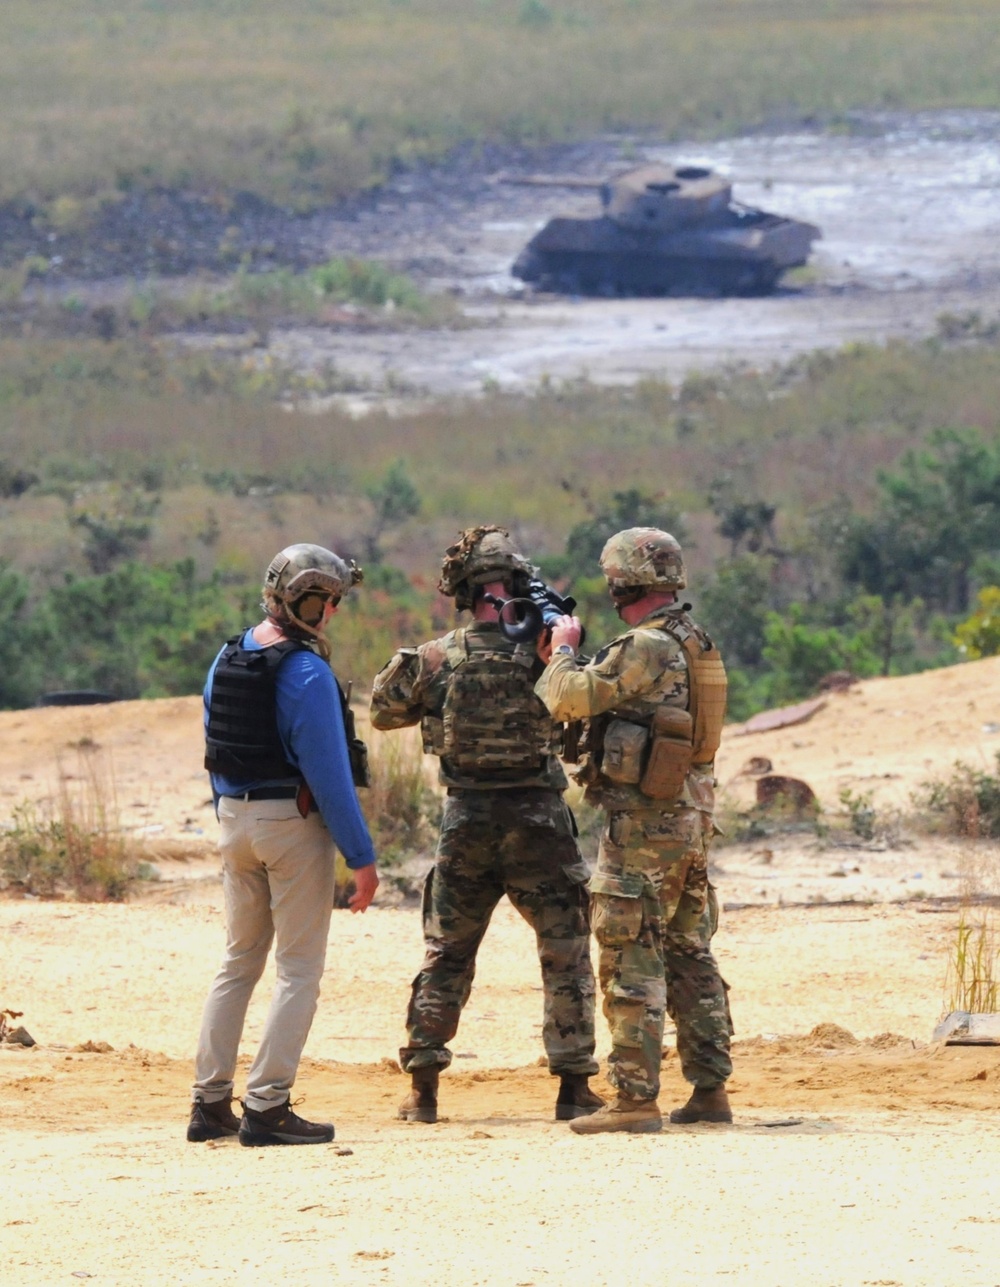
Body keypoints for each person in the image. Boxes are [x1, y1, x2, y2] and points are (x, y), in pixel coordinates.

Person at [370, 525, 601, 1125]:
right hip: (539, 820)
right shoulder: (546, 656)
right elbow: (582, 718)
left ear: (462, 591)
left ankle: (422, 1091)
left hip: (466, 819)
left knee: (447, 953)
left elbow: (383, 711)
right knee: (565, 953)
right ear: (517, 584)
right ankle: (574, 1088)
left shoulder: (434, 657)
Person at [535, 527, 733, 1135]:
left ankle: (634, 1100)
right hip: (692, 820)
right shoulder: (695, 640)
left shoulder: (646, 645)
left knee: (628, 956)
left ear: (622, 581)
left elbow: (567, 700)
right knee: (689, 953)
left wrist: (562, 650)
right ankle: (709, 1091)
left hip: (646, 826)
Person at [188, 543, 379, 1147]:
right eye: (331, 600)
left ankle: (209, 1102)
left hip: (233, 821)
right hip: (289, 827)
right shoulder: (304, 671)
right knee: (298, 971)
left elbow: (215, 747)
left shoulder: (228, 657)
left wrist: (231, 815)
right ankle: (267, 1107)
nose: (334, 612)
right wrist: (362, 856)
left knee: (237, 963)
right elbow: (329, 774)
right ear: (311, 602)